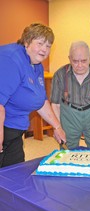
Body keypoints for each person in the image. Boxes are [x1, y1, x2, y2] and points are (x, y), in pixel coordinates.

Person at [0, 23, 66, 167]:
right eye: (40, 43)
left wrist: (57, 127)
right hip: (2, 128)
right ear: (27, 41)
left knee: (14, 175)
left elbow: (40, 101)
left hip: (15, 131)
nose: (45, 49)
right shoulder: (11, 59)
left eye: (48, 46)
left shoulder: (36, 65)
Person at [50, 41, 90, 150]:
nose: (79, 65)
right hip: (69, 114)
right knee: (66, 149)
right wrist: (58, 128)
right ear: (69, 58)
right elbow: (55, 104)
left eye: (83, 61)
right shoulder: (60, 75)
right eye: (75, 61)